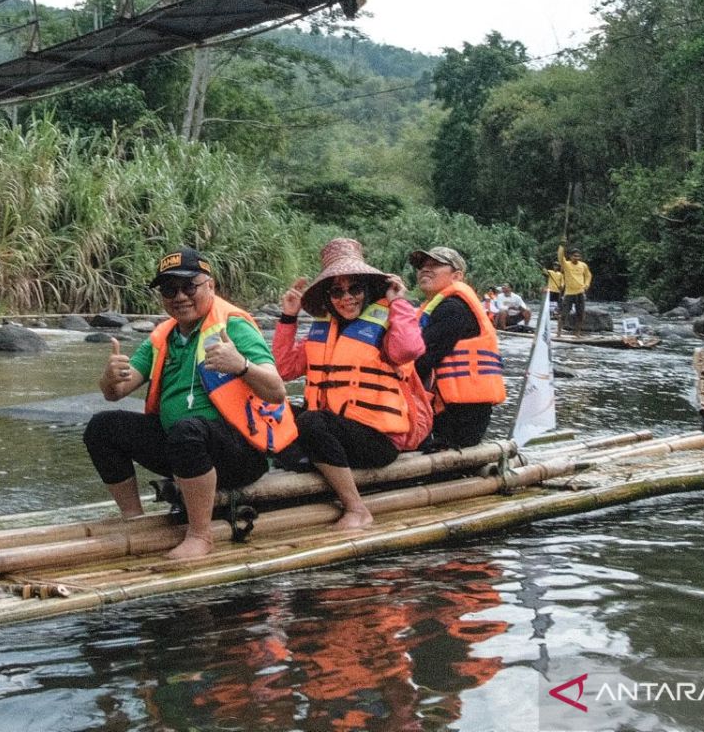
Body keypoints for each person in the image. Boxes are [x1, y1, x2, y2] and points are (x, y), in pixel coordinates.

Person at [83, 246, 299, 559]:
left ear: (210, 286)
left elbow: (277, 391)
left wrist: (241, 365)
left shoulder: (233, 326)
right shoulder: (163, 337)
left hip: (239, 453)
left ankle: (200, 536)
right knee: (103, 427)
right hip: (183, 450)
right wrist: (108, 377)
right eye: (170, 289)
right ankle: (134, 519)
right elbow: (115, 393)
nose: (180, 296)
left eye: (189, 286)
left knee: (188, 431)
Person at [274, 239, 425, 530]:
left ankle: (356, 509)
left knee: (312, 422)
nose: (347, 298)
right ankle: (311, 465)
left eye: (354, 288)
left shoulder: (387, 324)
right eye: (337, 291)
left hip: (377, 439)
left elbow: (409, 350)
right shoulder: (322, 329)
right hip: (333, 432)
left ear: (367, 290)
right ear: (329, 297)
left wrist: (400, 303)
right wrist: (288, 317)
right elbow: (283, 368)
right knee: (270, 409)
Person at [411, 246, 507, 450]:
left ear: (457, 276)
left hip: (460, 414)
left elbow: (421, 359)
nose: (425, 270)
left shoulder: (454, 308)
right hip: (449, 407)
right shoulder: (436, 307)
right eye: (422, 266)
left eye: (435, 265)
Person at [555, 242, 592, 335]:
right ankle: (558, 332)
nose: (576, 258)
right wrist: (562, 246)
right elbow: (560, 256)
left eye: (578, 256)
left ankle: (577, 333)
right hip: (569, 293)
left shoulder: (583, 265)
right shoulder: (566, 264)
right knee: (564, 314)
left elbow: (588, 275)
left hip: (580, 292)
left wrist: (587, 285)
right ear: (570, 256)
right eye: (574, 256)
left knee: (580, 315)